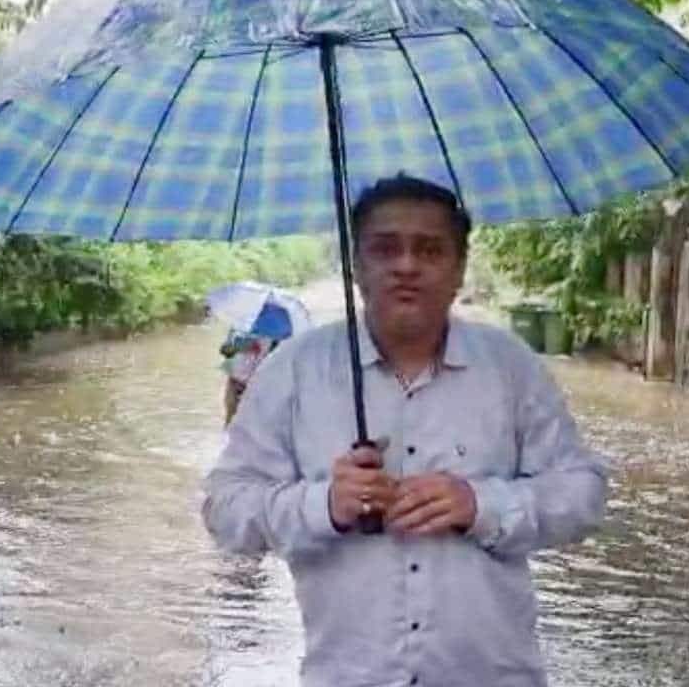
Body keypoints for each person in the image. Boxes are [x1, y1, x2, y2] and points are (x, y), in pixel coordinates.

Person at [200, 174, 609, 687]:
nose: (407, 266)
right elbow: (224, 510)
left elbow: (584, 495)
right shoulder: (293, 372)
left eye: (430, 250)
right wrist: (324, 505)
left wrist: (481, 505)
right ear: (357, 266)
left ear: (459, 269)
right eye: (385, 248)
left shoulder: (511, 367)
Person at [218, 329, 278, 426]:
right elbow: (225, 350)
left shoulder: (279, 332)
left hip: (255, 383)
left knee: (246, 422)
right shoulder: (242, 326)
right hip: (237, 380)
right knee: (231, 419)